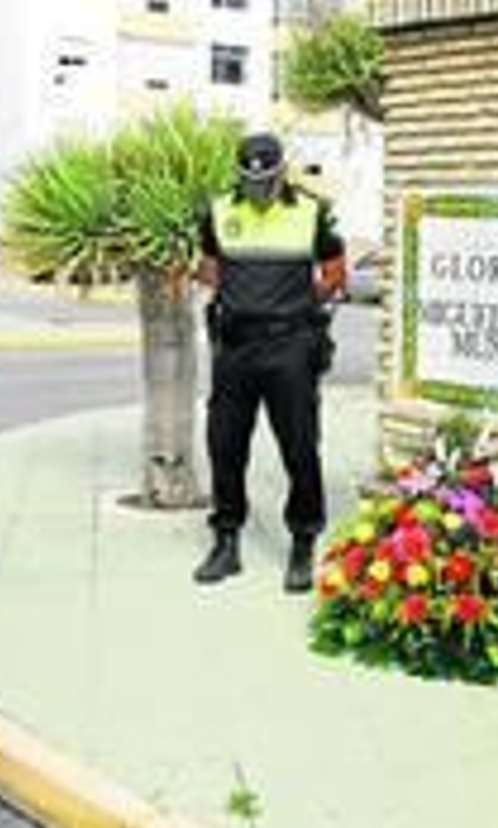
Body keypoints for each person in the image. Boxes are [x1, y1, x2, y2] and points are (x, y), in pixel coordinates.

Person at [193, 132, 346, 593]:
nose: (259, 186)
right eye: (250, 178)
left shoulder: (311, 212)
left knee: (299, 447)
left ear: (281, 172)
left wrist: (300, 303)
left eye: (267, 177)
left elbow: (335, 269)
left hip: (291, 347)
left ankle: (303, 541)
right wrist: (233, 296)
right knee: (225, 445)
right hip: (236, 348)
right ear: (240, 175)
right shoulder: (219, 211)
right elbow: (210, 266)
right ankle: (226, 541)